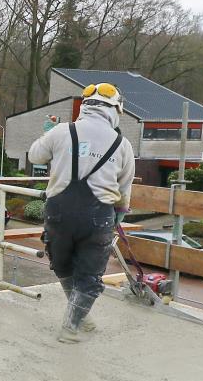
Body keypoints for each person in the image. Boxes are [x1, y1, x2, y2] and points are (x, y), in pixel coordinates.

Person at [28, 82, 136, 343]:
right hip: (98, 217)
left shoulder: (62, 131)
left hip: (59, 212)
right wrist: (120, 213)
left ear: (84, 107)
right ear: (115, 110)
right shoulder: (122, 144)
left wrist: (48, 134)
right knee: (89, 275)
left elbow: (34, 157)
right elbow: (124, 187)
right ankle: (72, 325)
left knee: (62, 264)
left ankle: (78, 316)